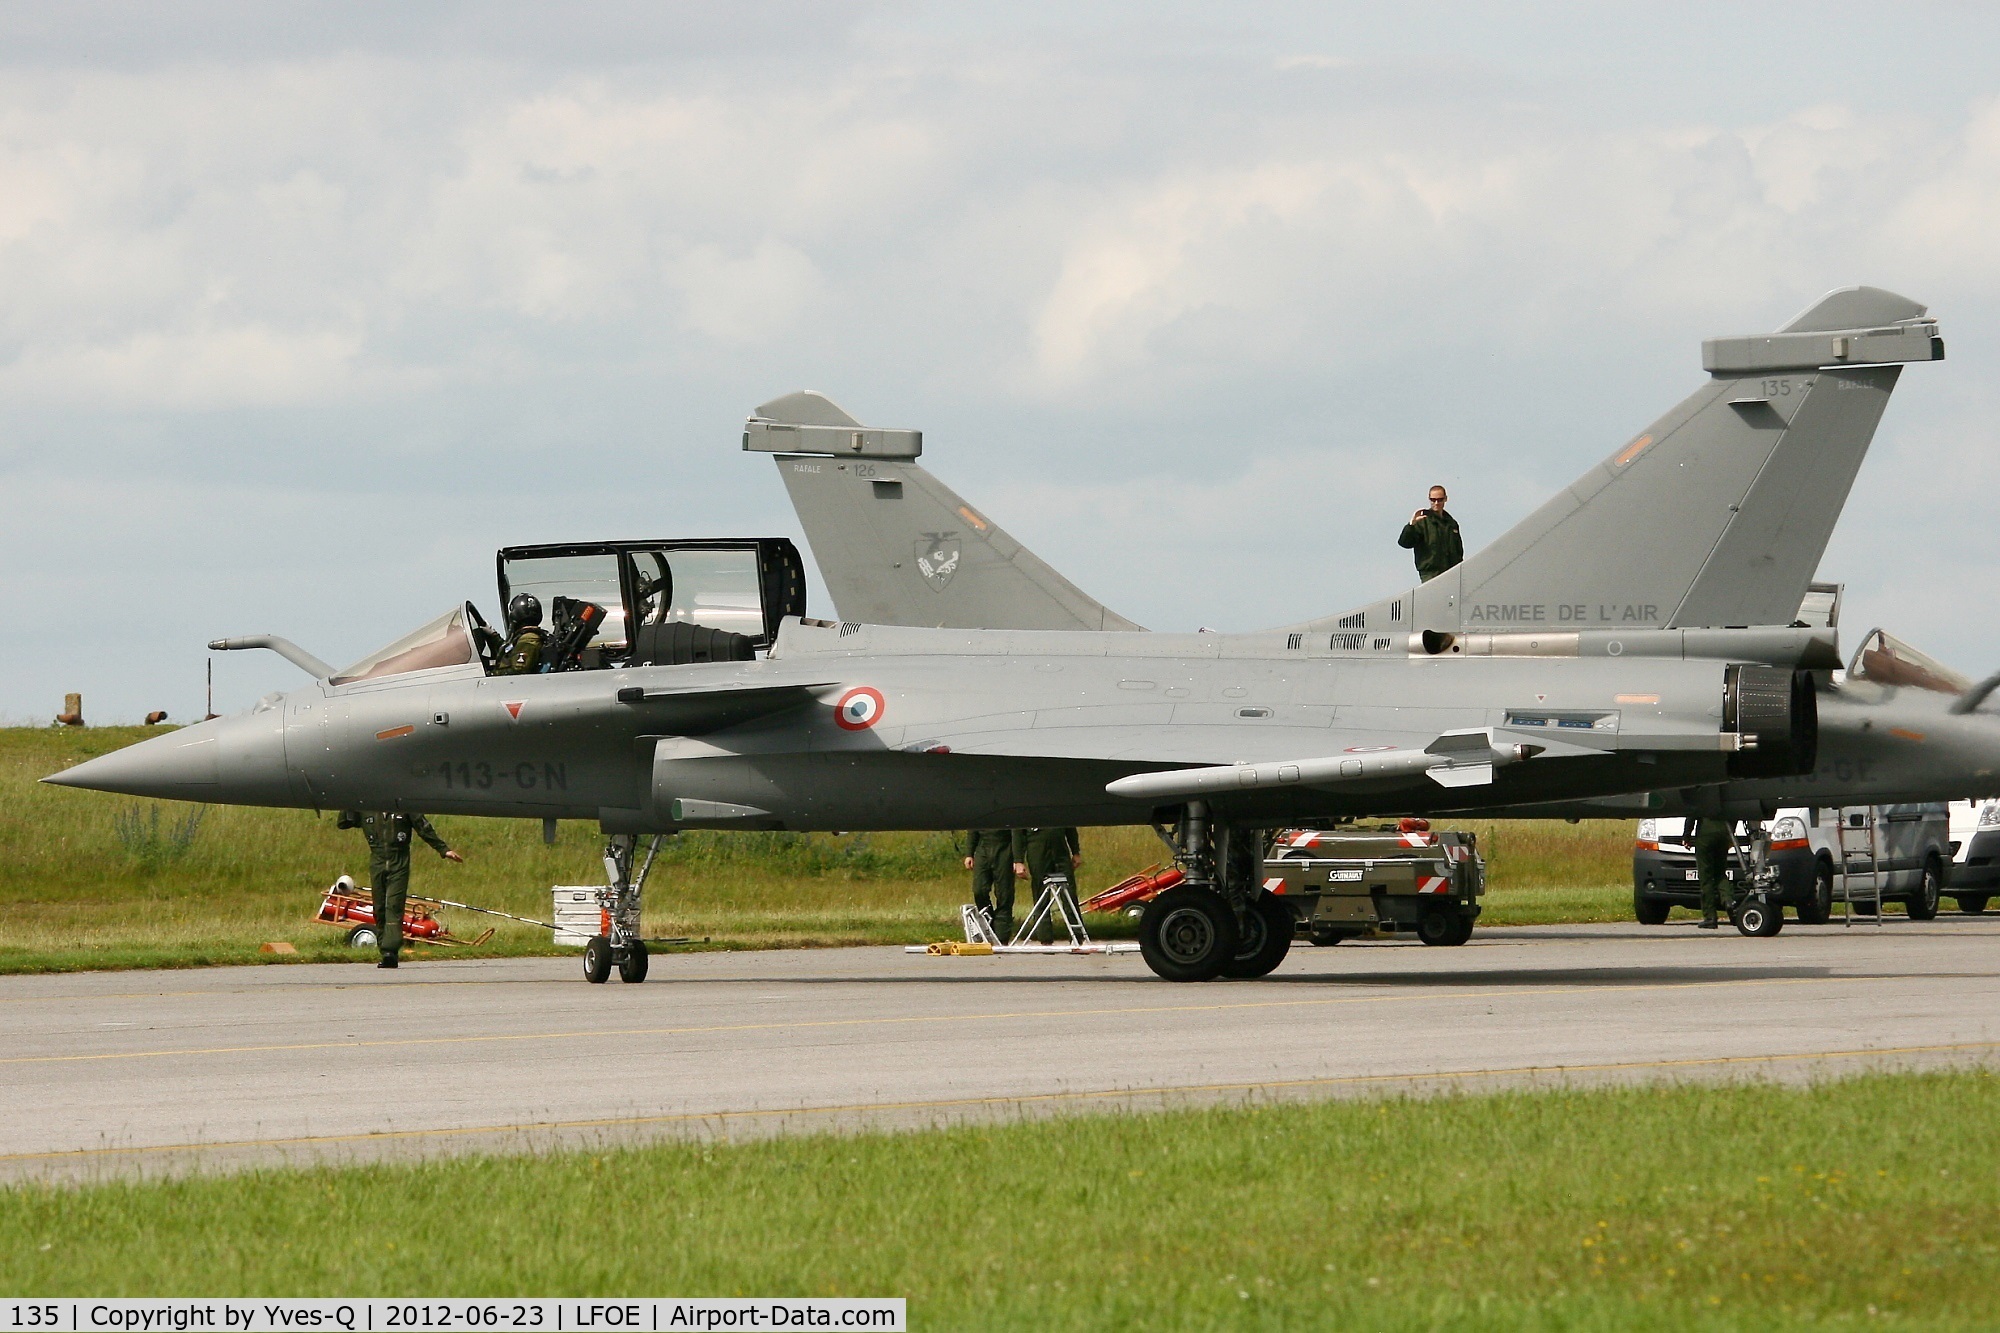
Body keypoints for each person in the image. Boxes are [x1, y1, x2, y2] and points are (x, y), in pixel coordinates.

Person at [336, 810, 464, 967]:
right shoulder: (367, 808)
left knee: (394, 906)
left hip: (399, 862)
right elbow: (343, 823)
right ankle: (385, 951)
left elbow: (423, 828)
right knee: (380, 908)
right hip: (377, 861)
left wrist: (443, 850)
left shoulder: (404, 808)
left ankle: (390, 951)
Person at [1013, 826, 1082, 942]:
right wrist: (1018, 861)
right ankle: (1045, 938)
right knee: (1041, 895)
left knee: (1069, 894)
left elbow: (1070, 827)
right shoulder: (1024, 809)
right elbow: (1017, 833)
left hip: (1060, 852)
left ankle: (1077, 936)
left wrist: (1076, 852)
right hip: (1037, 850)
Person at [1397, 484, 1463, 583]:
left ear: (1445, 499)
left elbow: (1458, 550)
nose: (1436, 503)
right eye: (1433, 500)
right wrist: (1411, 525)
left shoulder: (1451, 524)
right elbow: (1405, 543)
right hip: (1430, 573)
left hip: (1452, 573)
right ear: (1429, 499)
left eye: (1440, 499)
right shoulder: (1423, 521)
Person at [964, 828, 1017, 941]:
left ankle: (1002, 935)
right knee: (979, 890)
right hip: (983, 847)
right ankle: (987, 926)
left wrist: (1018, 859)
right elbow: (972, 829)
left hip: (1005, 847)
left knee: (1004, 894)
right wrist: (969, 853)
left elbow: (1016, 832)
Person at [1693, 817, 1738, 930]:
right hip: (1723, 832)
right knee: (1720, 873)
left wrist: (1686, 836)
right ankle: (1729, 902)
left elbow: (1691, 815)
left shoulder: (1700, 798)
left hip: (1705, 834)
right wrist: (1730, 833)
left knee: (1706, 877)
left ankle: (1710, 917)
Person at [493, 593, 548, 676]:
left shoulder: (528, 638)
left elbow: (519, 669)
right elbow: (509, 653)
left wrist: (492, 674)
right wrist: (493, 636)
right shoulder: (528, 637)